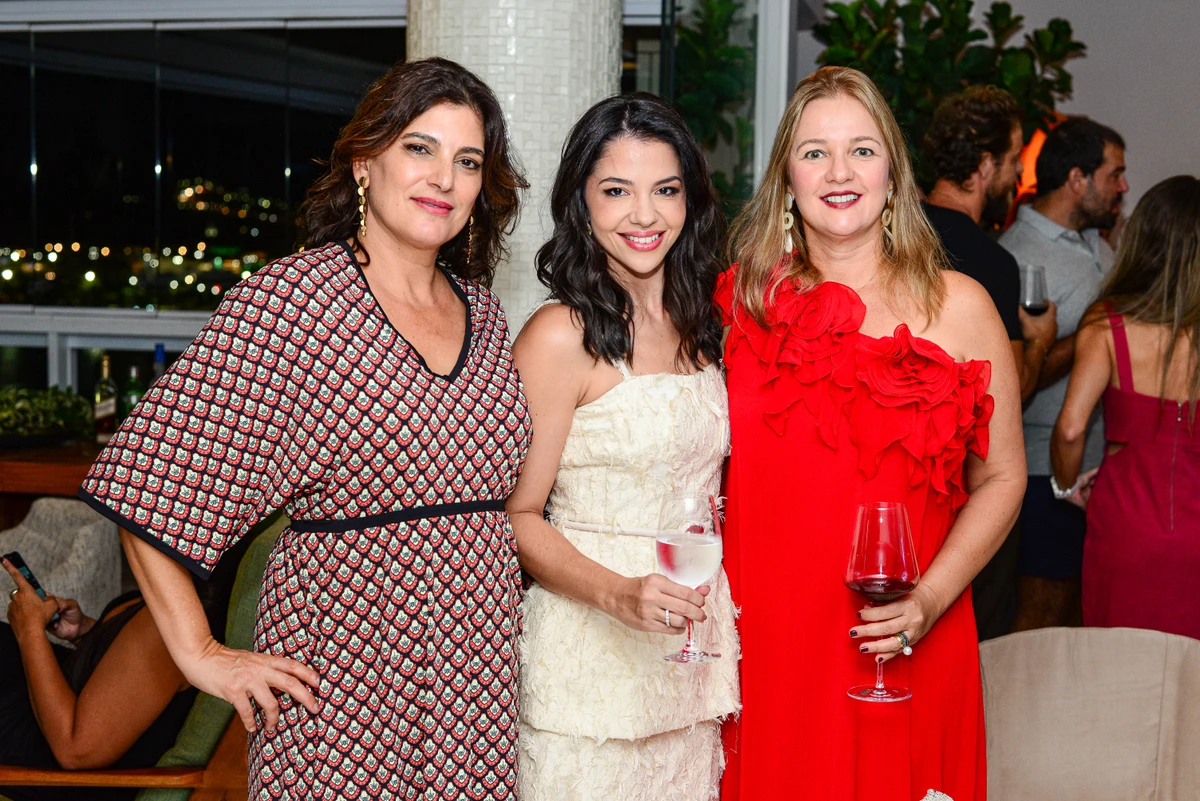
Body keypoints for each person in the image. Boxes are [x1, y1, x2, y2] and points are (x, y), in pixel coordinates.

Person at [75, 57, 531, 800]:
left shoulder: (482, 311)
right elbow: (148, 477)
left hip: (474, 688)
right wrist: (200, 654)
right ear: (364, 161)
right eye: (420, 147)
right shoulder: (292, 302)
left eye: (468, 160)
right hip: (348, 687)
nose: (444, 177)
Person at [717, 66, 1025, 800]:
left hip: (905, 638)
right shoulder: (735, 304)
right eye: (814, 151)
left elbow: (1004, 476)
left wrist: (930, 597)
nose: (839, 170)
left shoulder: (962, 306)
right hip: (768, 649)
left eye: (861, 148)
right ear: (786, 178)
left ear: (894, 170)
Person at [508, 93, 739, 800]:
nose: (644, 215)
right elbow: (516, 516)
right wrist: (618, 593)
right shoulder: (558, 334)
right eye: (616, 191)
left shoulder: (707, 325)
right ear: (580, 202)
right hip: (587, 663)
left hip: (687, 657)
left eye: (665, 190)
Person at [922, 86, 1058, 641]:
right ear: (985, 166)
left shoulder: (888, 236)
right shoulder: (991, 264)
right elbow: (1010, 392)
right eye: (1013, 159)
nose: (1018, 178)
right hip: (966, 492)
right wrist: (1042, 339)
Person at [1051, 175, 1200, 641]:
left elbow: (1072, 428)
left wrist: (1064, 484)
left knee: (1118, 667)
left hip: (1128, 524)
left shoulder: (1108, 322)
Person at [0, 533, 250, 801]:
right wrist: (86, 632)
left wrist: (30, 632)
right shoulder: (174, 598)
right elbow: (128, 682)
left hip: (48, 756)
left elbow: (75, 752)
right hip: (48, 704)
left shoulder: (173, 629)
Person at [998, 117, 1128, 631]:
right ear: (1077, 178)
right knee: (1038, 624)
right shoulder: (1017, 256)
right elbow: (1015, 381)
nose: (1122, 186)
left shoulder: (1099, 244)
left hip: (1096, 468)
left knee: (1085, 621)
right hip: (1039, 470)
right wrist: (1095, 332)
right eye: (1113, 174)